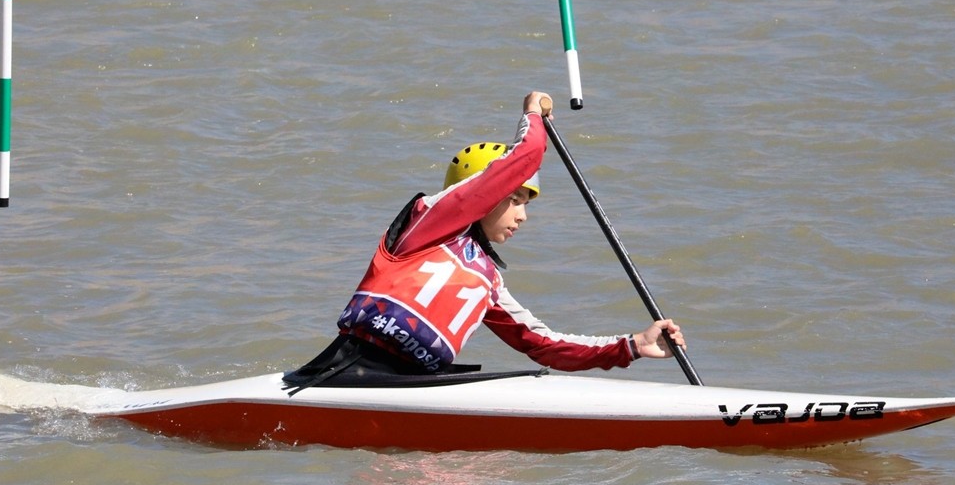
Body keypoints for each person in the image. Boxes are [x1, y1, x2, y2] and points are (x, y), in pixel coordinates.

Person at [292, 91, 685, 382]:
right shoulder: (427, 224)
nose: (522, 216)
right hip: (343, 373)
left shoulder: (488, 281)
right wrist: (532, 114)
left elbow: (540, 344)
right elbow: (522, 160)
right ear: (484, 193)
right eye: (515, 200)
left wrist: (632, 346)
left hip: (415, 385)